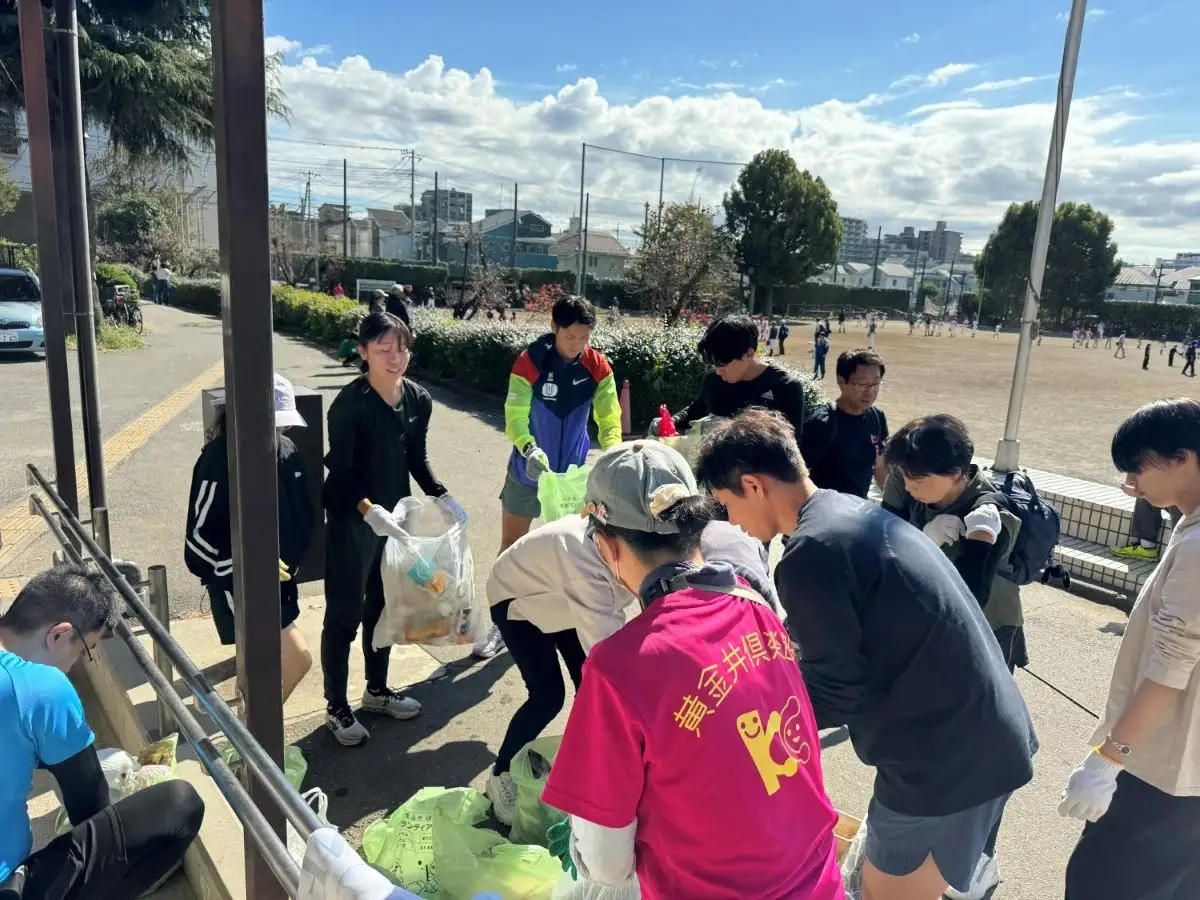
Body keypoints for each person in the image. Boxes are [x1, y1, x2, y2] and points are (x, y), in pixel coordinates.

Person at [695, 410, 1037, 900]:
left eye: (726, 504)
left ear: (752, 485)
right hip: (975, 737)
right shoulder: (842, 511)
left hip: (943, 761)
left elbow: (833, 693)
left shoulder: (811, 552)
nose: (733, 523)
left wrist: (744, 735)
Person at [539, 441, 843, 900]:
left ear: (606, 545)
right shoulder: (755, 604)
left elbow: (606, 864)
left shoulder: (620, 667)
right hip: (819, 880)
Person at [482, 440, 787, 824]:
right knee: (549, 696)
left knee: (590, 689)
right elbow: (612, 666)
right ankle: (501, 774)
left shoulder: (679, 545)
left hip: (567, 601)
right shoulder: (584, 562)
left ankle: (586, 768)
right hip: (523, 603)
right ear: (608, 546)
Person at [880, 415, 1028, 899]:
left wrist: (965, 545)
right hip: (928, 637)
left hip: (986, 632)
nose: (909, 484)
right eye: (904, 474)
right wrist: (919, 539)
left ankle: (977, 860)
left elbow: (971, 593)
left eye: (921, 477)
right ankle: (926, 849)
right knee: (933, 743)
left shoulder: (989, 509)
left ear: (960, 471)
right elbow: (881, 541)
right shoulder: (909, 485)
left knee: (979, 747)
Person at [1061, 399, 1200, 899]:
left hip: (1161, 768)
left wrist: (1108, 760)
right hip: (1185, 774)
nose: (1131, 484)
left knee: (1101, 885)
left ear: (1182, 457)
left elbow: (1170, 669)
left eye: (1138, 468)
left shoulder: (1197, 545)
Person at [0, 566, 205, 897]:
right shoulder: (42, 687)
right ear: (58, 635)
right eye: (82, 650)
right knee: (179, 802)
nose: (74, 665)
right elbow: (89, 806)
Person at [321, 311, 460, 746]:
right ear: (362, 352)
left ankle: (376, 691)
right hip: (354, 521)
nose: (394, 357)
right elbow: (339, 474)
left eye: (401, 347)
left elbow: (415, 457)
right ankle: (336, 707)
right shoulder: (350, 406)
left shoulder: (418, 400)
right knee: (344, 615)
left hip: (395, 522)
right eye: (382, 349)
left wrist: (441, 495)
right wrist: (369, 511)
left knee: (384, 608)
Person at [482, 295, 622, 659]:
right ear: (554, 328)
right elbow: (514, 412)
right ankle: (501, 625)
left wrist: (611, 452)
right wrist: (528, 448)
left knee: (572, 551)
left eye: (584, 337)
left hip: (572, 479)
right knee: (511, 548)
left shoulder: (598, 367)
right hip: (529, 470)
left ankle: (561, 621)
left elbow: (609, 419)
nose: (577, 345)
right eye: (569, 336)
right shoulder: (530, 361)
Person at [184, 373, 315, 703]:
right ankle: (257, 734)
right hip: (240, 584)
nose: (279, 431)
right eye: (273, 423)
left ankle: (252, 726)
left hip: (280, 581)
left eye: (282, 424)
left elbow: (302, 512)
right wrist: (247, 565)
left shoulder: (286, 449)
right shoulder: (217, 461)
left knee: (260, 663)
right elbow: (198, 540)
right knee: (298, 659)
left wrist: (289, 562)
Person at [659, 315, 807, 441]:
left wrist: (731, 430)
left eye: (723, 366)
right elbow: (696, 409)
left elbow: (792, 449)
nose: (718, 372)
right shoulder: (713, 381)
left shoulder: (786, 388)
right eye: (714, 365)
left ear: (749, 354)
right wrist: (672, 421)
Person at [800, 348, 888, 500]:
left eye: (875, 383)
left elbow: (879, 465)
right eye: (862, 384)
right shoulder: (822, 423)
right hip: (823, 514)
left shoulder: (877, 417)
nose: (870, 391)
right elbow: (799, 478)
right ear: (841, 382)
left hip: (858, 512)